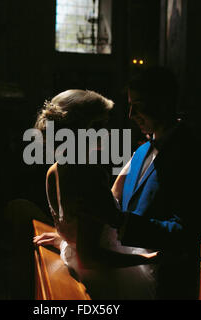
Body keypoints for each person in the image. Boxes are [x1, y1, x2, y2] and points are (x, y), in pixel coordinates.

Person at [33, 89, 160, 299]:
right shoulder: (89, 173)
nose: (107, 132)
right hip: (103, 280)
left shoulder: (54, 170)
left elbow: (78, 226)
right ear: (77, 130)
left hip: (74, 266)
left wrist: (61, 239)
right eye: (99, 125)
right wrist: (148, 258)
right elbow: (90, 257)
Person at [109, 67, 201, 299]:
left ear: (163, 102)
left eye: (138, 105)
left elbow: (185, 233)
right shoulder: (141, 151)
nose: (131, 115)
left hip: (165, 285)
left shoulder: (190, 152)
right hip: (130, 276)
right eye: (129, 105)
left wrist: (125, 224)